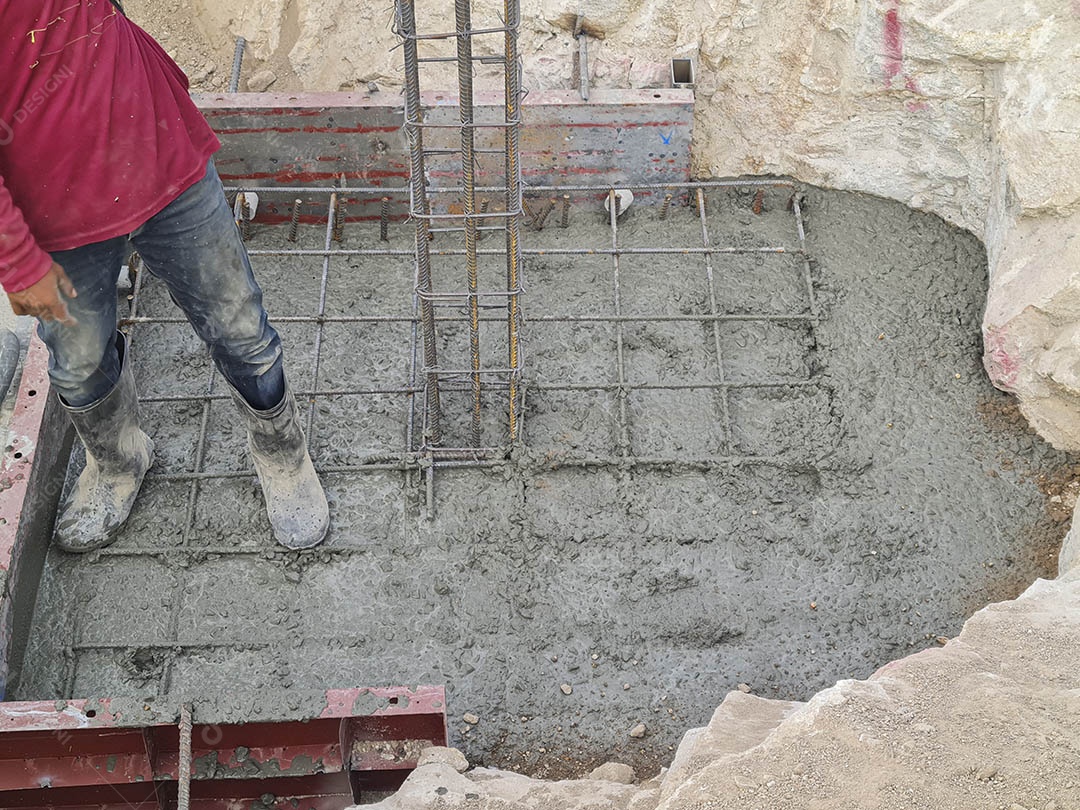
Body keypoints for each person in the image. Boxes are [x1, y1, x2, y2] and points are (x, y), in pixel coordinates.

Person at [0, 0, 330, 551]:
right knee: (78, 366)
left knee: (240, 325)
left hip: (157, 149)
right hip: (52, 212)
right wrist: (17, 260)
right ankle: (116, 466)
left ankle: (283, 455)